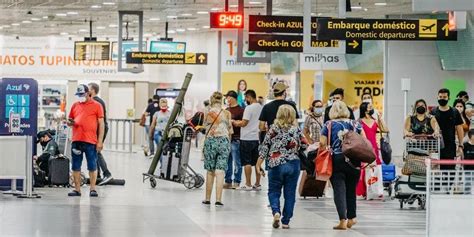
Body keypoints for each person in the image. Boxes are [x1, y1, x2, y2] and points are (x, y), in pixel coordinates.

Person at [257, 105, 307, 229]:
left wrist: (258, 164)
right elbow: (305, 145)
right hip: (293, 163)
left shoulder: (273, 129)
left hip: (275, 163)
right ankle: (286, 221)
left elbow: (265, 147)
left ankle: (276, 212)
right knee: (290, 194)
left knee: (274, 191)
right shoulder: (296, 130)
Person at [319, 101, 366, 230]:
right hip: (354, 160)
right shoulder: (356, 124)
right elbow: (364, 140)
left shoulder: (329, 124)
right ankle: (352, 218)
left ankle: (342, 220)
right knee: (351, 189)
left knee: (339, 190)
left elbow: (322, 142)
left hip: (337, 159)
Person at [67, 84, 105, 197]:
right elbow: (70, 121)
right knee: (75, 165)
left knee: (92, 165)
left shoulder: (97, 105)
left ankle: (93, 189)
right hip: (76, 140)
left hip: (90, 141)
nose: (80, 97)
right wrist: (70, 123)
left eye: (82, 94)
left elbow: (101, 124)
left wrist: (100, 141)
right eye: (78, 95)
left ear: (88, 93)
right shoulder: (75, 105)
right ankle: (77, 189)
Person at [202, 92, 233, 206]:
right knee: (220, 172)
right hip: (224, 142)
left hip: (211, 141)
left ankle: (207, 199)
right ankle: (219, 200)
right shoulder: (227, 113)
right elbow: (230, 131)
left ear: (211, 100)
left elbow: (205, 126)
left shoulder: (207, 112)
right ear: (222, 100)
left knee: (210, 171)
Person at [232, 90, 263, 191]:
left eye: (246, 98)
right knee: (257, 162)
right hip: (256, 138)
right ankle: (257, 184)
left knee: (247, 162)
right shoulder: (261, 107)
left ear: (249, 97)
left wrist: (235, 123)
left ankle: (248, 184)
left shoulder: (249, 108)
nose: (245, 100)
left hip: (246, 138)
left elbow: (244, 123)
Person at [356, 102, 388, 198]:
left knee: (377, 169)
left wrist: (380, 118)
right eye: (370, 107)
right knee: (366, 169)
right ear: (365, 110)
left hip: (374, 148)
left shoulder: (375, 120)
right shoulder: (359, 122)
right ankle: (367, 191)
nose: (372, 109)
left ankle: (378, 191)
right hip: (364, 148)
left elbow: (385, 129)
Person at [430, 89, 464, 169]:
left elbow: (459, 129)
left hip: (450, 147)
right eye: (440, 97)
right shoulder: (433, 111)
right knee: (436, 172)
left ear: (448, 98)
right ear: (437, 97)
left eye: (444, 97)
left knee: (450, 172)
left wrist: (460, 145)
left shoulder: (454, 111)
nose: (442, 99)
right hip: (436, 146)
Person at [88, 83, 113, 186]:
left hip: (99, 129)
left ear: (93, 90)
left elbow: (99, 120)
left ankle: (107, 174)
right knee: (94, 152)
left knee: (96, 151)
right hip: (96, 129)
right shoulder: (96, 101)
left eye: (88, 88)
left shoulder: (97, 102)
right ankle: (97, 175)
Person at [224, 90, 245, 189]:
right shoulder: (227, 110)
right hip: (227, 138)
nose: (227, 99)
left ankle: (237, 181)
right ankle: (228, 181)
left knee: (237, 161)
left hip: (236, 138)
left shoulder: (241, 110)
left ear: (232, 98)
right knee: (227, 161)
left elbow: (244, 123)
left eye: (228, 97)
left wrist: (234, 121)